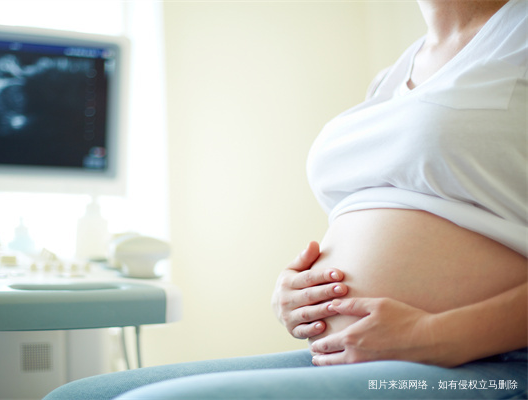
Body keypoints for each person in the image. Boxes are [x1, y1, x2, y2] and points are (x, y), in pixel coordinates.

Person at [45, 0, 527, 398]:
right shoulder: (394, 76)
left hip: (490, 363)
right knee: (78, 396)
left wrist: (435, 336)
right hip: (354, 354)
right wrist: (302, 295)